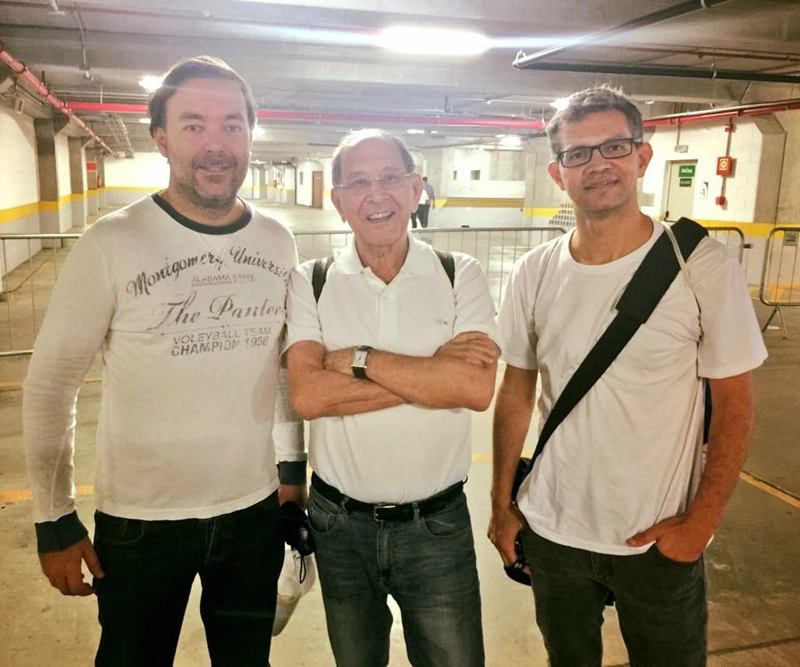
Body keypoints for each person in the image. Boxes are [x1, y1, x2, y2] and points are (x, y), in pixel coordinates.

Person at [22, 55, 306, 666]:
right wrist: (54, 520)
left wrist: (290, 472)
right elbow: (51, 386)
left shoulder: (278, 240)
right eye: (194, 125)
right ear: (162, 140)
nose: (216, 143)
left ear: (251, 136)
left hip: (252, 515)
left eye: (232, 125)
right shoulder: (112, 242)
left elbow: (283, 371)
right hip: (141, 525)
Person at [488, 85, 767, 667]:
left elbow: (736, 404)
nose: (598, 166)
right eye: (578, 154)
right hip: (554, 531)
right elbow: (516, 387)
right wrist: (501, 503)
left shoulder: (700, 265)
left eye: (614, 147)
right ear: (557, 172)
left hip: (656, 539)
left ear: (642, 157)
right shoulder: (533, 272)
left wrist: (699, 525)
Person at [285, 129, 498, 667]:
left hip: (438, 526)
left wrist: (357, 359)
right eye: (358, 182)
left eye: (389, 178)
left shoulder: (458, 275)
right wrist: (430, 375)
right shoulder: (309, 281)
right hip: (339, 524)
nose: (375, 195)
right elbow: (308, 395)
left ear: (415, 189)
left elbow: (473, 388)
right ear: (338, 201)